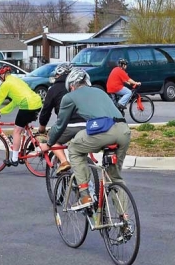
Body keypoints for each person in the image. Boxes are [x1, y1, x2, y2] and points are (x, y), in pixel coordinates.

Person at [39, 68, 131, 210]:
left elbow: (60, 125)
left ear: (71, 86)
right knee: (115, 178)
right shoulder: (100, 91)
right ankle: (125, 223)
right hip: (124, 130)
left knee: (74, 149)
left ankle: (85, 196)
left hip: (104, 131)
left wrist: (49, 143)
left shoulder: (70, 97)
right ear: (87, 81)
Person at [0, 65, 43, 167]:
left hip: (28, 106)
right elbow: (15, 102)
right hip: (37, 103)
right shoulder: (17, 80)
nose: (0, 80)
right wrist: (1, 111)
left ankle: (15, 158)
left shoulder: (6, 84)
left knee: (16, 131)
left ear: (3, 75)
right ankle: (26, 149)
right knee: (22, 127)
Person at [37, 63, 84, 175]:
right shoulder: (79, 86)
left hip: (68, 124)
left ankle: (63, 161)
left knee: (53, 138)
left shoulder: (53, 89)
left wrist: (42, 128)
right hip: (87, 124)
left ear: (58, 75)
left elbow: (46, 112)